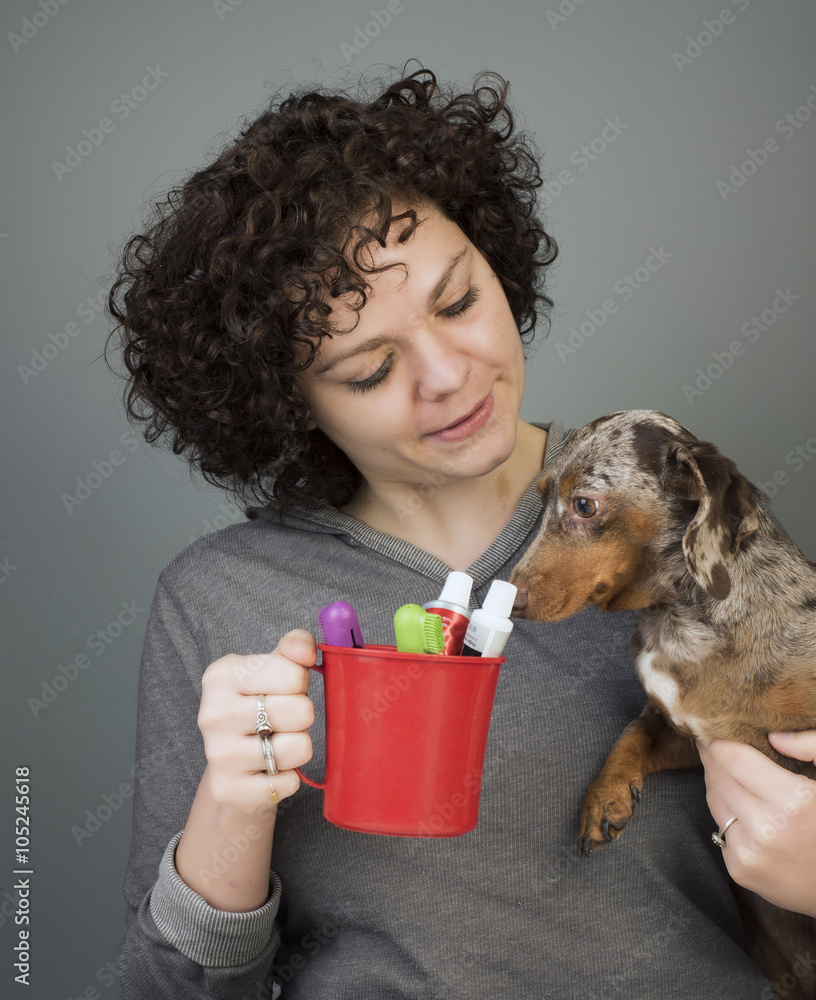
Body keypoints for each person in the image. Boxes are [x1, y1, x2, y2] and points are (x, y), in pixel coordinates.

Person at [105, 61, 816, 1000]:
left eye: (457, 301)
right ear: (285, 403)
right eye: (368, 370)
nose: (449, 375)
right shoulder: (218, 599)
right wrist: (231, 808)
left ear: (496, 261)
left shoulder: (668, 512)